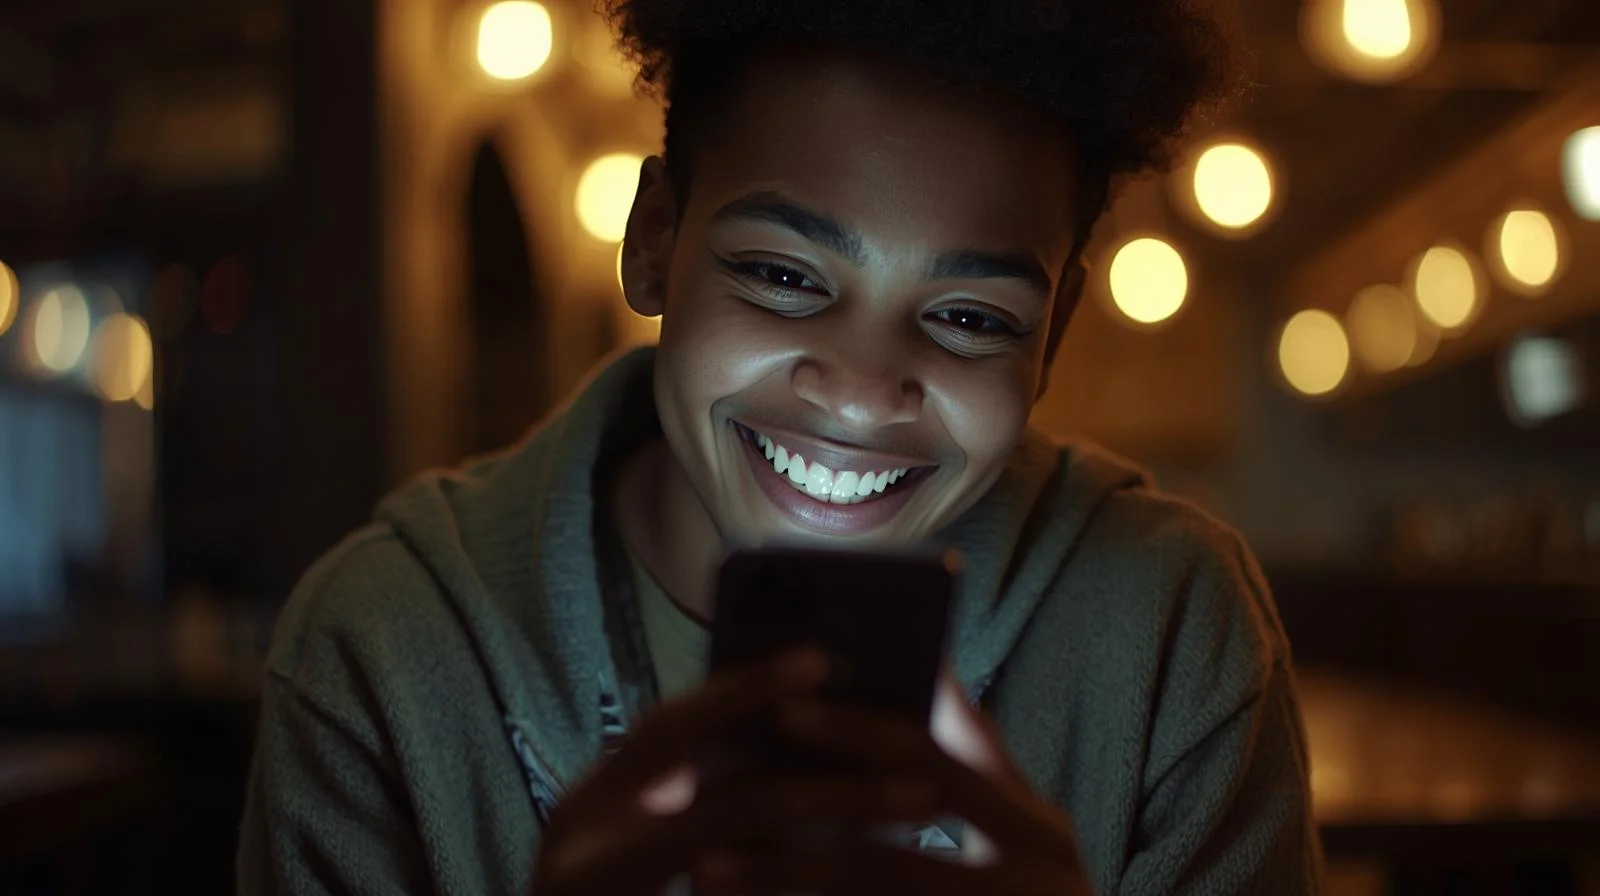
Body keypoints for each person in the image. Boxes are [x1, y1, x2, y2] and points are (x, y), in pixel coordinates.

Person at [239, 0, 1324, 893]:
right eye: (785, 276)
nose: (859, 391)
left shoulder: (1171, 627)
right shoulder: (380, 647)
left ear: (1052, 341)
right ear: (656, 240)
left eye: (971, 318)